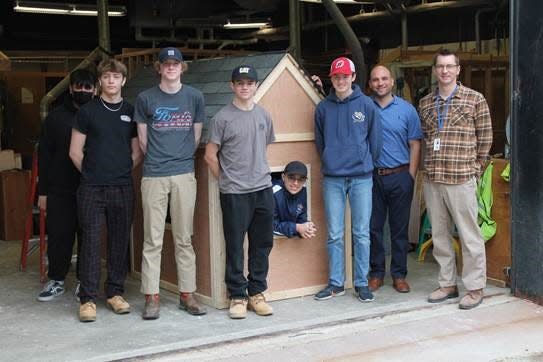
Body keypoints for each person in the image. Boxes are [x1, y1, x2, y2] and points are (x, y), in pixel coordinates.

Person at [134, 47, 206, 320]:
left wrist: (180, 159)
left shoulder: (195, 97)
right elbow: (142, 140)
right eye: (167, 63)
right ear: (159, 67)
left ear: (182, 67)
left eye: (176, 63)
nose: (171, 67)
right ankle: (151, 296)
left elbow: (196, 136)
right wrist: (159, 159)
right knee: (152, 238)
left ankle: (187, 294)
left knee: (184, 237)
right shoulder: (145, 98)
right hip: (153, 173)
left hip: (183, 173)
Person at [419, 49, 492, 310]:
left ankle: (474, 287)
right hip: (434, 177)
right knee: (439, 235)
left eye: (450, 66)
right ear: (435, 70)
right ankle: (447, 284)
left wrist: (476, 168)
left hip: (461, 178)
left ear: (458, 69)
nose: (445, 71)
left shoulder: (475, 99)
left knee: (469, 235)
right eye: (440, 66)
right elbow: (427, 139)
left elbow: (485, 138)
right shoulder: (426, 103)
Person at [69, 58, 142, 322]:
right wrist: (92, 174)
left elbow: (136, 153)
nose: (111, 81)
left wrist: (119, 171)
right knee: (90, 241)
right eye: (106, 77)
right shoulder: (87, 112)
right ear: (100, 81)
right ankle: (88, 298)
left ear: (123, 80)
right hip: (91, 188)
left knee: (120, 240)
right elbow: (75, 151)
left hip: (122, 186)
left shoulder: (131, 111)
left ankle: (115, 293)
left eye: (116, 77)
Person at [205, 64, 275, 319]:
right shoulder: (222, 118)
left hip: (263, 189)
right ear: (232, 86)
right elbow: (210, 156)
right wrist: (226, 181)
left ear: (256, 86)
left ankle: (256, 293)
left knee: (262, 243)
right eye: (240, 83)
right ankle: (237, 295)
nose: (245, 87)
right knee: (235, 245)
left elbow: (263, 147)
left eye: (249, 83)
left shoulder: (264, 116)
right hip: (234, 192)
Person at [314, 57, 382, 303]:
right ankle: (336, 283)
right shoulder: (323, 108)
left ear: (353, 77)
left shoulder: (366, 105)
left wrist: (363, 163)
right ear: (331, 79)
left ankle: (361, 283)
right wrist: (331, 160)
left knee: (361, 233)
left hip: (361, 177)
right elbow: (320, 143)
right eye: (336, 77)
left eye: (345, 76)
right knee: (334, 233)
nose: (341, 80)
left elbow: (375, 142)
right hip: (333, 178)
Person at [37, 68, 96, 302]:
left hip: (91, 187)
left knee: (88, 235)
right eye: (78, 87)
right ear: (71, 88)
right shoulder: (55, 117)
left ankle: (84, 281)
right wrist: (43, 192)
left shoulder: (98, 114)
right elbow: (44, 156)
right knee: (60, 234)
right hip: (60, 188)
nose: (82, 91)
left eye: (87, 87)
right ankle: (56, 280)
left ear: (95, 89)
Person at [367, 65, 422, 293]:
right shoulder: (364, 107)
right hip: (372, 178)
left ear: (391, 81)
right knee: (374, 228)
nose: (380, 83)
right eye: (375, 80)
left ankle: (399, 275)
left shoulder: (407, 110)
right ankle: (377, 273)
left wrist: (411, 176)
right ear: (370, 84)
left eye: (384, 78)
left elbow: (415, 144)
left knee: (399, 230)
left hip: (400, 175)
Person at [273, 161, 316, 239]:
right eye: (291, 178)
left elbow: (302, 216)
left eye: (301, 179)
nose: (296, 183)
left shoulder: (302, 190)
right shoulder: (273, 192)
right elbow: (270, 227)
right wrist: (297, 228)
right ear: (283, 177)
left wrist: (307, 227)